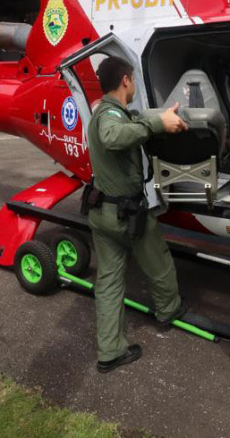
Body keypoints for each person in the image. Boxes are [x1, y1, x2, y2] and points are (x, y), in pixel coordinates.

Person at [84, 56, 189, 373]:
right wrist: (157, 124)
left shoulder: (105, 111)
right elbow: (113, 136)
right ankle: (168, 311)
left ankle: (110, 352)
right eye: (134, 79)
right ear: (126, 80)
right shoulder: (110, 117)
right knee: (158, 262)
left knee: (109, 283)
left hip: (102, 213)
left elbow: (132, 124)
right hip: (125, 214)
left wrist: (162, 119)